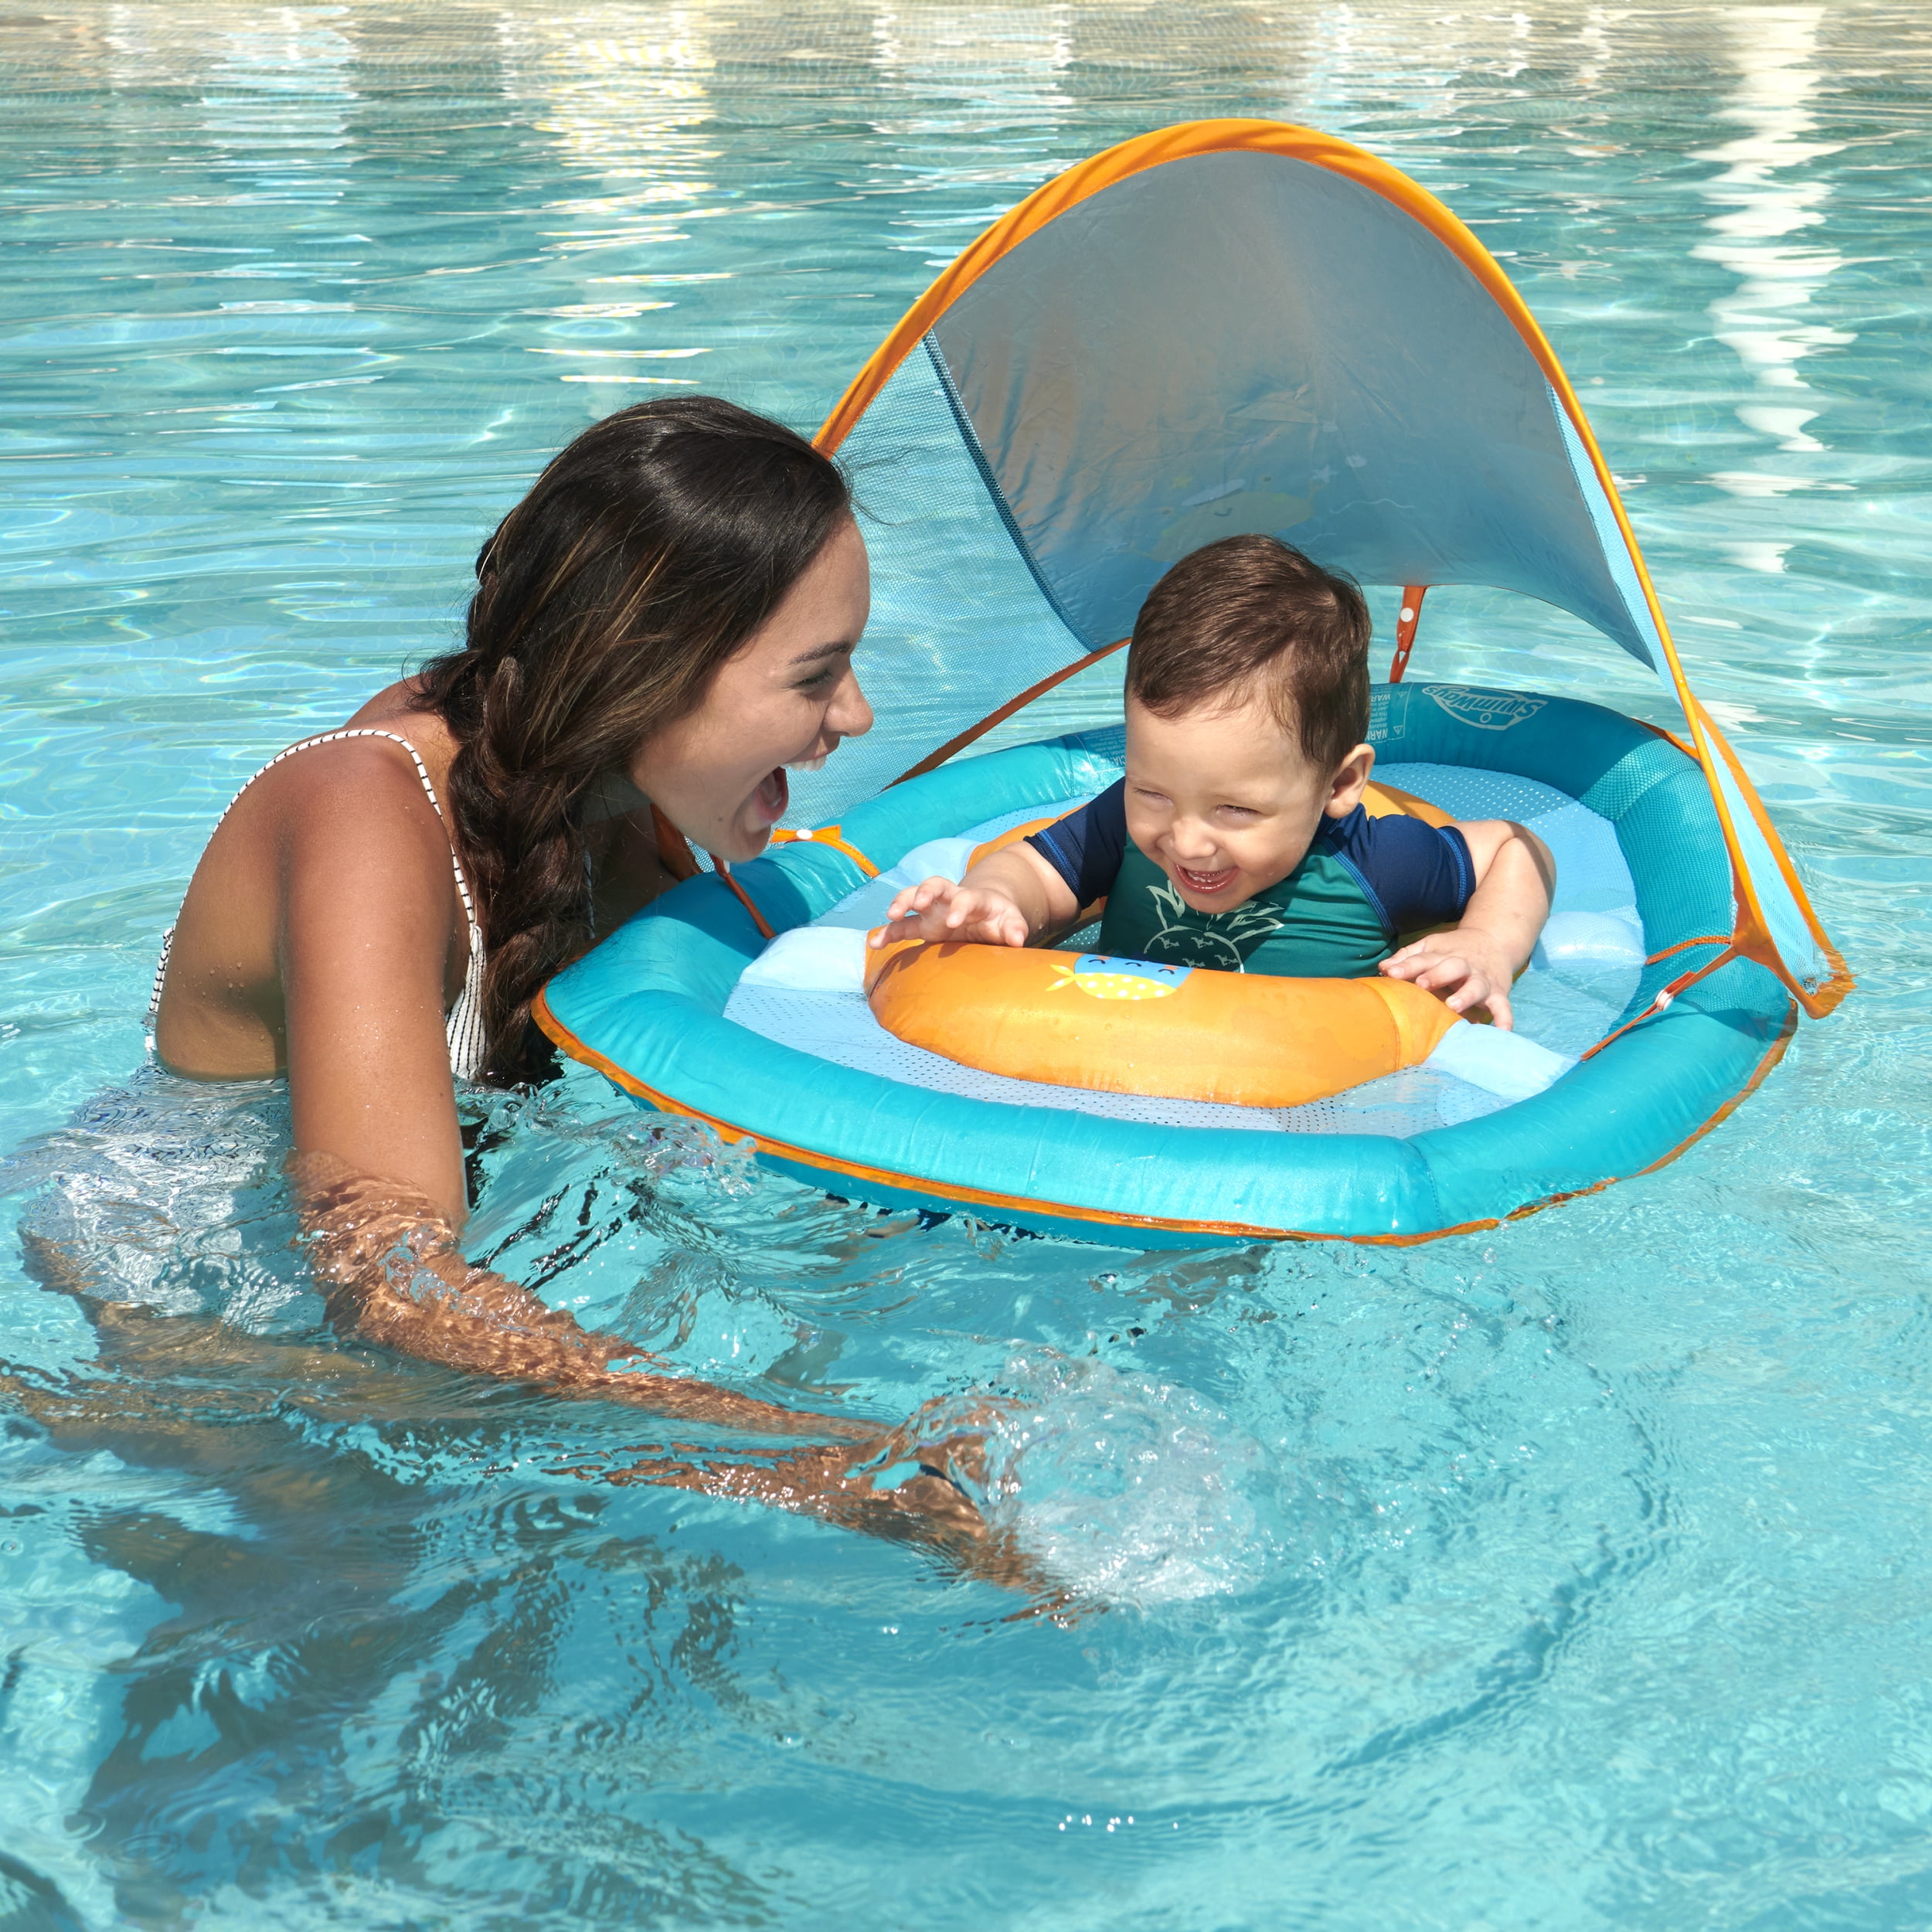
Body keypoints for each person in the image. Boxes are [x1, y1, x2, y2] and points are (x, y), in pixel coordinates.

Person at [144, 396, 985, 1550]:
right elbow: (381, 1282)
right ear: (648, 674)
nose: (857, 714)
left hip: (418, 1322)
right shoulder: (366, 821)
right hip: (202, 1345)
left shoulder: (617, 805)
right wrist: (813, 1460)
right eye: (815, 676)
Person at [872, 534, 1555, 1028]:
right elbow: (1037, 872)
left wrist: (1489, 944)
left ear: (1340, 784)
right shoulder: (1123, 827)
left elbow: (1516, 847)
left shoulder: (1378, 863)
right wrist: (993, 901)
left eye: (1234, 808)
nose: (1187, 841)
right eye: (1154, 791)